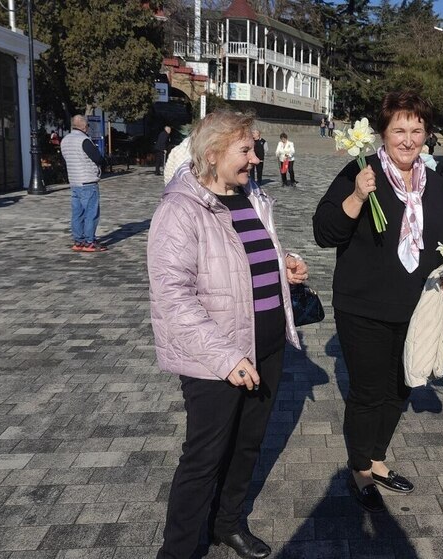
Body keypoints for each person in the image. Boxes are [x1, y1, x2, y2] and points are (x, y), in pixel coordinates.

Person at [148, 110, 309, 559]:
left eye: (255, 147)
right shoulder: (180, 208)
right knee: (204, 458)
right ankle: (178, 550)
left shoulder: (251, 195)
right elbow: (172, 298)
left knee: (247, 444)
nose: (256, 158)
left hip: (267, 344)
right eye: (246, 150)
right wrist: (226, 358)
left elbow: (247, 255)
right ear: (214, 154)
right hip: (215, 356)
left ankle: (227, 523)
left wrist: (285, 264)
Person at [313, 90, 443, 513]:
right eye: (399, 130)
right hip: (364, 306)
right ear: (383, 132)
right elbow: (325, 232)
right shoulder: (362, 171)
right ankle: (360, 468)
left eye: (416, 130)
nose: (408, 139)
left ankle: (377, 459)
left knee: (401, 385)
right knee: (368, 391)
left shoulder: (435, 181)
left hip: (416, 308)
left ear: (427, 134)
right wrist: (356, 197)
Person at [60, 114, 107, 252]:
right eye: (87, 125)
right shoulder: (84, 140)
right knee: (91, 213)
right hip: (87, 181)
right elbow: (98, 158)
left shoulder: (65, 140)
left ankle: (78, 241)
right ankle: (89, 242)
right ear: (83, 126)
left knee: (77, 213)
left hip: (74, 181)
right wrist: (103, 164)